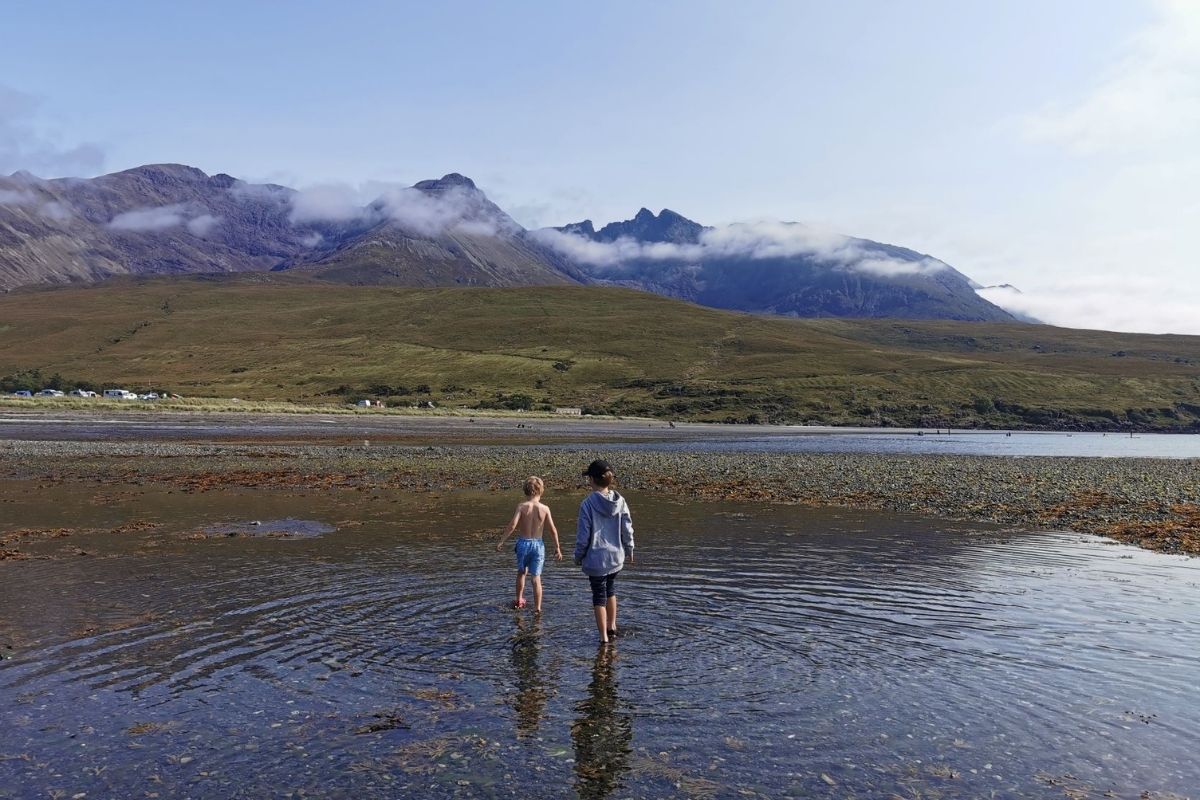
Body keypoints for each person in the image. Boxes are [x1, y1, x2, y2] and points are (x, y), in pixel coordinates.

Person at [574, 459, 634, 645]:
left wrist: (578, 556)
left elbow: (584, 536)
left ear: (592, 479)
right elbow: (627, 527)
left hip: (596, 559)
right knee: (610, 591)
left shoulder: (587, 504)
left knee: (598, 597)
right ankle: (612, 627)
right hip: (616, 557)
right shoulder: (620, 501)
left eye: (588, 478)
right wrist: (630, 548)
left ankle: (603, 638)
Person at [496, 475, 562, 611]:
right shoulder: (545, 509)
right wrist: (557, 547)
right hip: (538, 545)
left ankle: (519, 600)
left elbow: (512, 525)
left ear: (525, 491)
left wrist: (502, 541)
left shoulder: (522, 506)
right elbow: (553, 530)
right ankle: (538, 608)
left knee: (521, 573)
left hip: (523, 543)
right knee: (536, 577)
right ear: (541, 491)